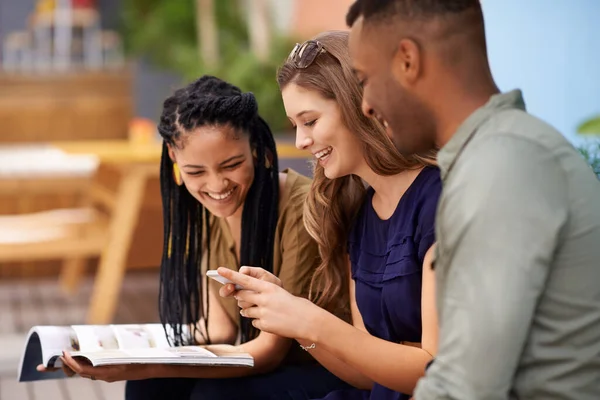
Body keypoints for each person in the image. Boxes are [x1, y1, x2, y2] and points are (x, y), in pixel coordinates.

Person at [345, 1, 600, 399]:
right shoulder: (497, 156)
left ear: (408, 60)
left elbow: (464, 389)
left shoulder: (501, 167)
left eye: (364, 79)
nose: (365, 105)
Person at [38, 76, 350, 400]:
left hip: (322, 367)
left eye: (232, 165)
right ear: (173, 156)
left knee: (212, 394)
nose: (216, 186)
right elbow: (219, 329)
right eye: (196, 172)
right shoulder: (210, 211)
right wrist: (108, 354)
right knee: (150, 385)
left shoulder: (300, 209)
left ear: (255, 148)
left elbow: (270, 350)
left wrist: (146, 366)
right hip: (263, 359)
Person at [217, 30, 442, 400]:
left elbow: (437, 370)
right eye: (295, 126)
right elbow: (369, 375)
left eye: (310, 120)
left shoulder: (438, 200)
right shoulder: (361, 217)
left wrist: (312, 320)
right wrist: (297, 322)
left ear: (358, 105)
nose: (302, 141)